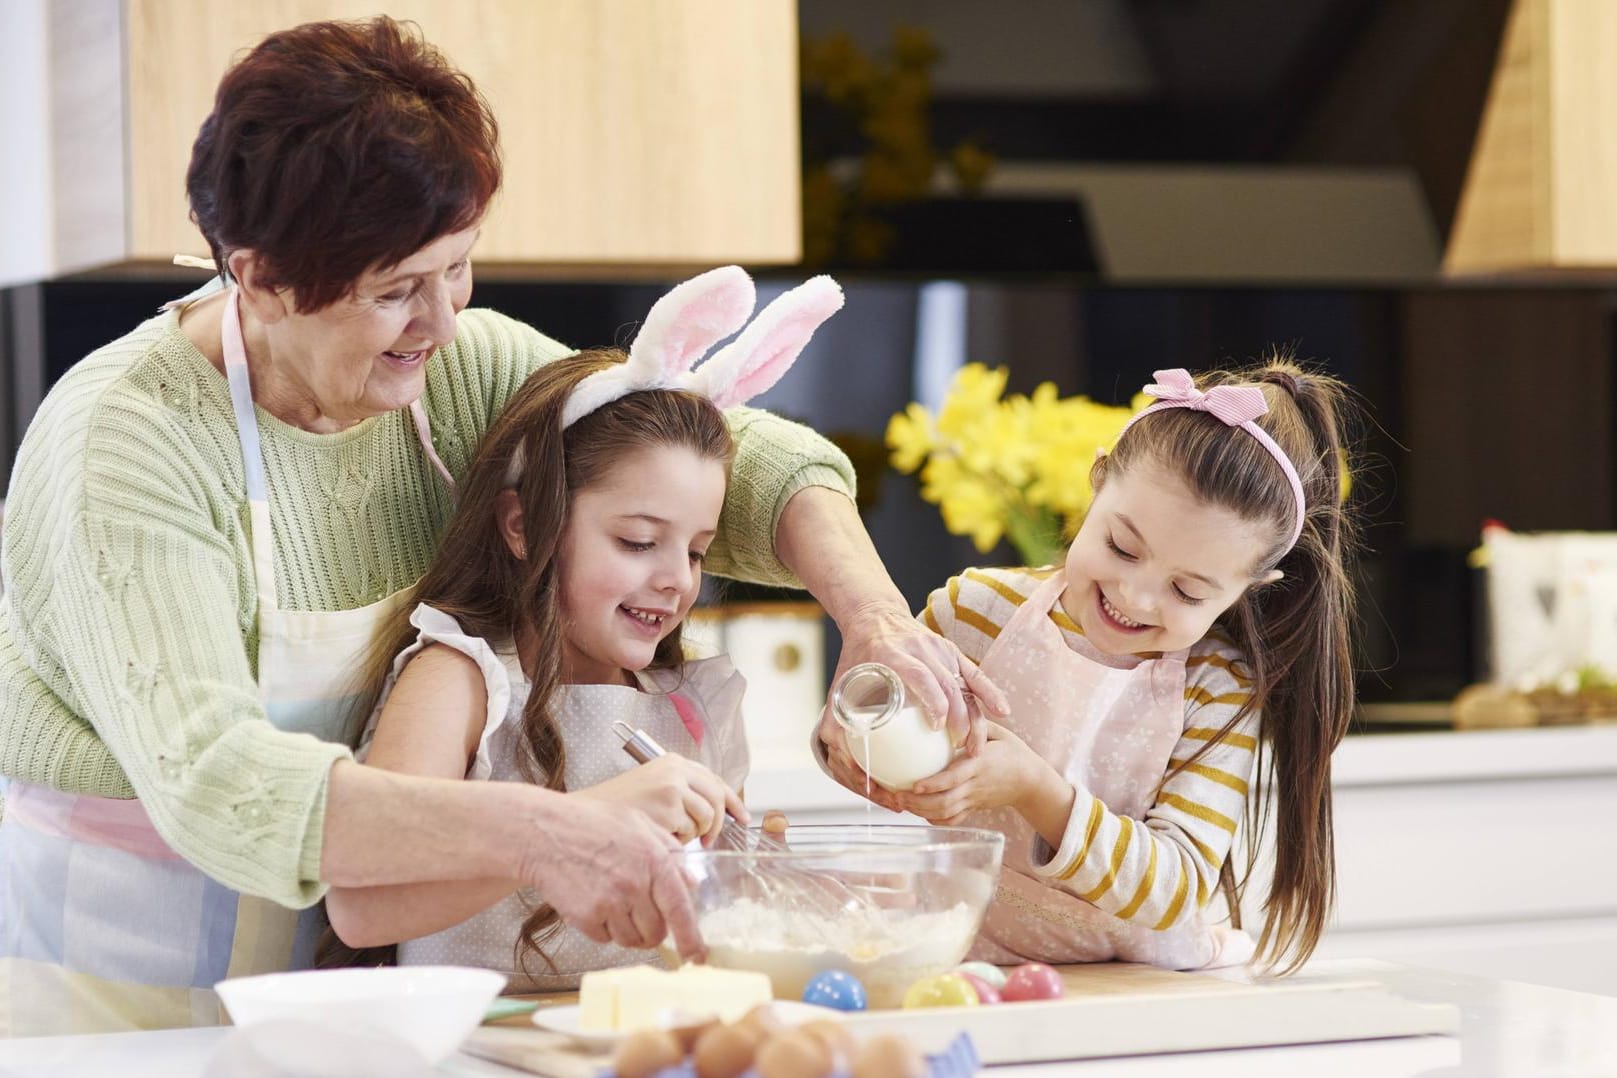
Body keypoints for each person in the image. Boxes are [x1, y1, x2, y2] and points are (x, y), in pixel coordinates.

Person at [0, 17, 999, 1035]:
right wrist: (546, 832)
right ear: (257, 278)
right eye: (396, 291)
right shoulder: (125, 446)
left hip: (351, 988)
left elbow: (711, 451)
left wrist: (874, 618)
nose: (442, 322)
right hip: (119, 997)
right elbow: (214, 782)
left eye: (458, 267)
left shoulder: (452, 366)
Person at [325, 267, 841, 988]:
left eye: (696, 551)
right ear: (524, 526)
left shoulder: (687, 700)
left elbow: (681, 929)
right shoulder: (463, 678)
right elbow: (363, 904)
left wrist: (739, 880)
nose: (675, 579)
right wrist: (590, 821)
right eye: (636, 541)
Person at [818, 361, 1360, 974]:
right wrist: (851, 740)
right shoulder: (974, 612)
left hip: (1141, 981)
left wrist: (1034, 789)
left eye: (1187, 592)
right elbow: (865, 708)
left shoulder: (1218, 691)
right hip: (970, 956)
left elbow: (1176, 889)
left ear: (1249, 588)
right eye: (1122, 548)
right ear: (1097, 482)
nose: (1136, 597)